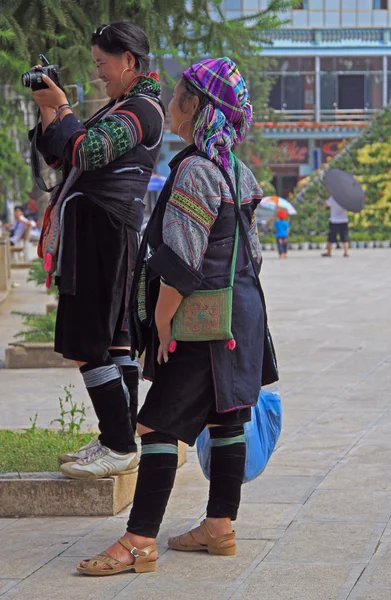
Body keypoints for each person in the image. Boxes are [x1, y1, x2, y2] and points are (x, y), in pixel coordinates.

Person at [77, 57, 275, 576]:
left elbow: (182, 263)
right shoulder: (237, 168)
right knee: (225, 418)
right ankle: (219, 526)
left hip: (198, 318)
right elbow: (252, 254)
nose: (171, 99)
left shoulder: (193, 170)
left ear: (198, 107)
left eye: (181, 92)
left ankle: (138, 542)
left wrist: (163, 323)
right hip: (241, 313)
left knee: (156, 424)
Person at [29, 21, 164, 479]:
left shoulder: (143, 110)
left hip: (104, 230)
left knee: (88, 339)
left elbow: (89, 153)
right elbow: (61, 154)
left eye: (102, 64)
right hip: (98, 230)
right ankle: (118, 436)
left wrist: (63, 105)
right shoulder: (121, 105)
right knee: (113, 339)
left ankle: (121, 443)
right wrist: (50, 111)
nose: (98, 73)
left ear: (128, 60)